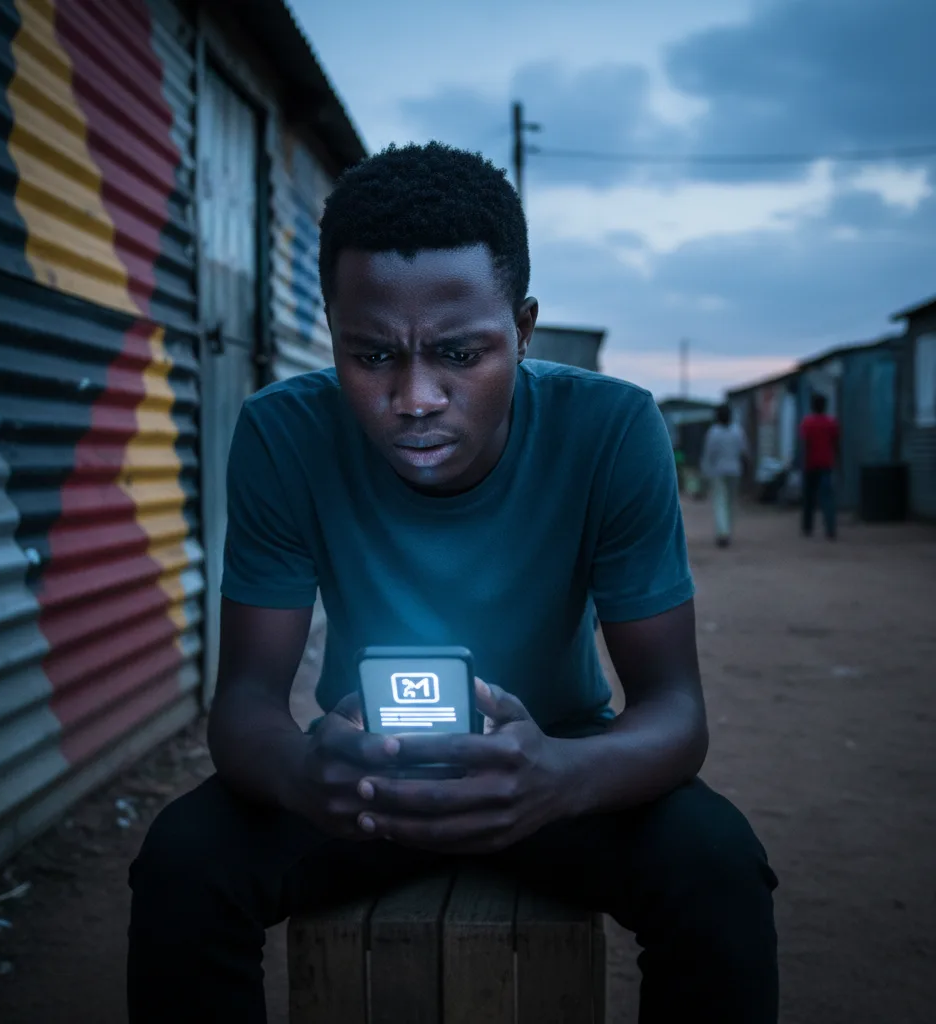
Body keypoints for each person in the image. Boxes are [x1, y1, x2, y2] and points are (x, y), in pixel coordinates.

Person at [126, 143, 778, 1024]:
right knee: (184, 862)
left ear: (525, 328)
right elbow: (243, 703)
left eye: (460, 354)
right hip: (365, 783)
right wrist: (304, 771)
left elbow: (675, 713)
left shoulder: (611, 429)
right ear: (331, 332)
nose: (416, 396)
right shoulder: (283, 434)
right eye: (372, 355)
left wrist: (559, 775)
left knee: (718, 865)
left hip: (554, 766)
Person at [699, 404, 749, 547]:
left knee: (720, 502)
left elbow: (708, 455)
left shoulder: (713, 432)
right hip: (735, 471)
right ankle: (728, 531)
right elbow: (744, 452)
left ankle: (723, 532)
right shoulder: (737, 431)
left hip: (718, 472)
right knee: (731, 502)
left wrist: (705, 472)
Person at [799, 393, 840, 539]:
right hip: (826, 464)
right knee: (827, 498)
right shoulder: (831, 423)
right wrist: (836, 460)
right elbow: (836, 444)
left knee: (809, 498)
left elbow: (806, 444)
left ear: (812, 406)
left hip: (811, 464)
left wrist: (803, 462)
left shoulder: (807, 423)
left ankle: (807, 527)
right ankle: (830, 529)